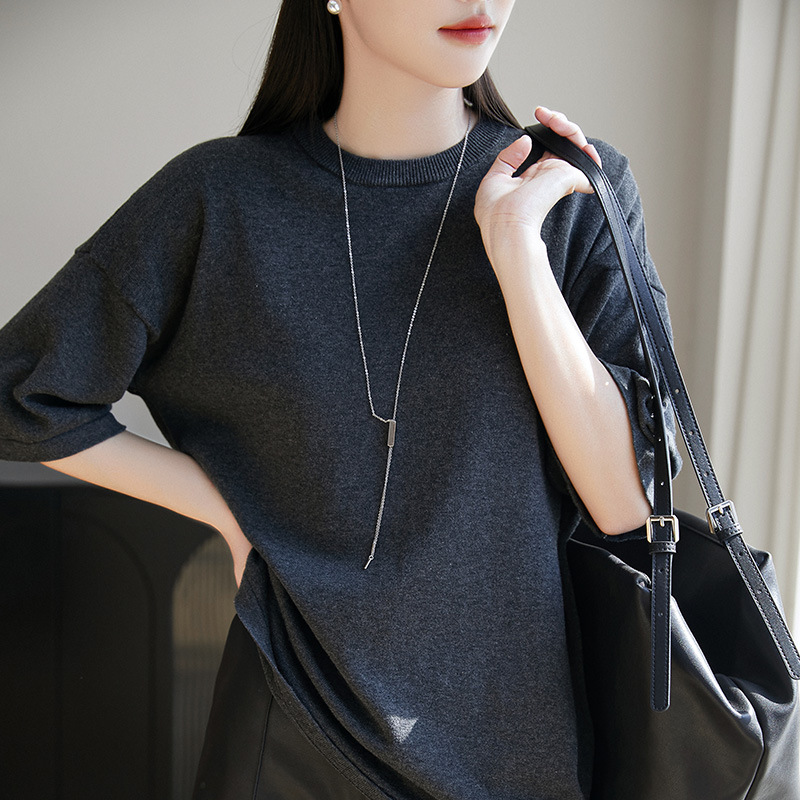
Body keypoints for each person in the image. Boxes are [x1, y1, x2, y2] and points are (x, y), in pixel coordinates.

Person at [0, 1, 679, 798]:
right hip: (297, 732)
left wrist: (516, 251)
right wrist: (226, 511)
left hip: (520, 756)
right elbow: (23, 393)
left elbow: (628, 503)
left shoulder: (568, 190)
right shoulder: (220, 197)